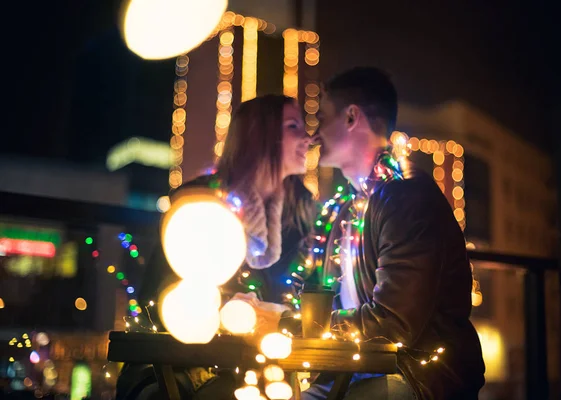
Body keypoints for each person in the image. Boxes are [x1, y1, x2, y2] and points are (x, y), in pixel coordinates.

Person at [242, 67, 486, 399]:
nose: (314, 134)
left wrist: (286, 323)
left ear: (351, 117)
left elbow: (393, 326)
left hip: (415, 376)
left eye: (322, 117)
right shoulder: (339, 208)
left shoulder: (405, 198)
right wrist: (256, 307)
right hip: (344, 372)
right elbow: (303, 291)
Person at [115, 94, 316, 400]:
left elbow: (308, 299)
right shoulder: (199, 203)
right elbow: (157, 300)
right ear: (259, 136)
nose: (307, 137)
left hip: (265, 367)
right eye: (293, 126)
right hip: (179, 367)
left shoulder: (302, 213)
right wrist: (224, 310)